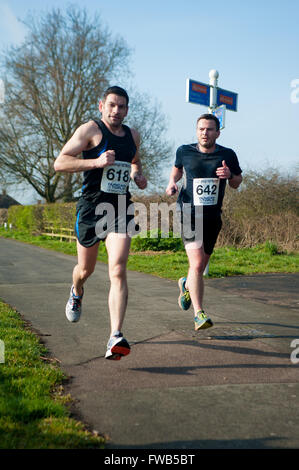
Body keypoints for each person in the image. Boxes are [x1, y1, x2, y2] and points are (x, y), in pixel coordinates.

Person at [54, 86, 147, 360]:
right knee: (85, 269)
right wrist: (95, 162)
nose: (117, 111)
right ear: (101, 106)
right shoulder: (90, 130)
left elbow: (135, 161)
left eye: (122, 107)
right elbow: (60, 163)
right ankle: (76, 290)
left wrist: (137, 175)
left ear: (127, 110)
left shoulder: (133, 135)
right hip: (92, 207)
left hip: (120, 207)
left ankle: (115, 336)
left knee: (117, 269)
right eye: (112, 105)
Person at [166, 113, 242, 331]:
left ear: (217, 132)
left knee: (197, 266)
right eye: (201, 129)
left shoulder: (228, 154)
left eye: (209, 129)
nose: (204, 133)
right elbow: (177, 170)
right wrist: (172, 183)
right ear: (196, 130)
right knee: (198, 264)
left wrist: (229, 175)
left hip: (212, 217)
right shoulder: (184, 151)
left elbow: (237, 182)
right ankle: (199, 313)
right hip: (188, 212)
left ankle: (185, 284)